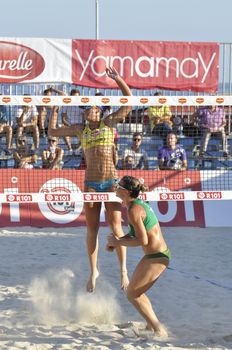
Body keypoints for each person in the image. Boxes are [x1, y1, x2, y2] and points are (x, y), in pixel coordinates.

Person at [48, 66, 132, 292]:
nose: (88, 111)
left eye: (93, 108)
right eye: (86, 109)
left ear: (101, 112)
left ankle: (123, 269)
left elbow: (129, 101)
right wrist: (55, 108)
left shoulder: (109, 123)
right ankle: (93, 270)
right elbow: (52, 132)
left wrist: (117, 79)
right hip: (92, 185)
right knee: (92, 229)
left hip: (111, 184)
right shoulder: (79, 130)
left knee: (117, 227)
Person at [107, 176, 170, 336]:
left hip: (157, 256)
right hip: (154, 256)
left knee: (132, 294)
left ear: (126, 192)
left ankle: (158, 329)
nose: (116, 186)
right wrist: (118, 240)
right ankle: (151, 325)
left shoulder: (134, 210)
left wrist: (118, 242)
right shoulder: (136, 205)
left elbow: (143, 240)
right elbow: (134, 234)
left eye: (119, 185)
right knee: (136, 292)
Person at [61, 89, 83, 155]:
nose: (75, 98)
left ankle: (78, 149)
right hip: (69, 126)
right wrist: (70, 126)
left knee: (86, 132)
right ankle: (70, 149)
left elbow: (85, 118)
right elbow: (63, 119)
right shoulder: (66, 104)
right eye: (74, 96)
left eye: (77, 97)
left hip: (79, 126)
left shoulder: (82, 105)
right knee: (62, 129)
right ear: (71, 96)